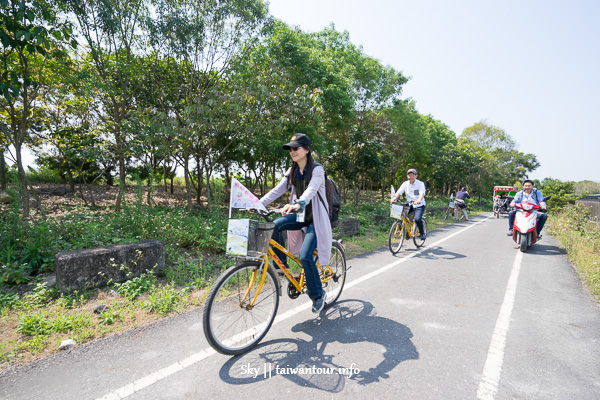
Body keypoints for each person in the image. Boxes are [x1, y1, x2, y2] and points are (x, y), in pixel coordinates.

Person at [259, 133, 332, 313]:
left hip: (316, 219)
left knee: (305, 256)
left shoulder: (317, 169)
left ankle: (318, 295)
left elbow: (312, 189)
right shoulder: (292, 171)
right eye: (290, 149)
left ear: (306, 150)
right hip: (300, 216)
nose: (292, 151)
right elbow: (276, 191)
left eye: (296, 148)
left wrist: (298, 202)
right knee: (274, 226)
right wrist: (257, 204)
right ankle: (281, 267)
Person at [391, 168, 427, 240]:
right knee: (401, 216)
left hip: (419, 205)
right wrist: (394, 198)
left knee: (417, 219)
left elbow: (422, 193)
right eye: (409, 175)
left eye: (412, 175)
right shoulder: (405, 184)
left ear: (416, 176)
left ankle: (422, 233)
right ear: (407, 176)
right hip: (409, 204)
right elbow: (399, 192)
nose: (411, 177)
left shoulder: (420, 184)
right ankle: (404, 231)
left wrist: (419, 200)